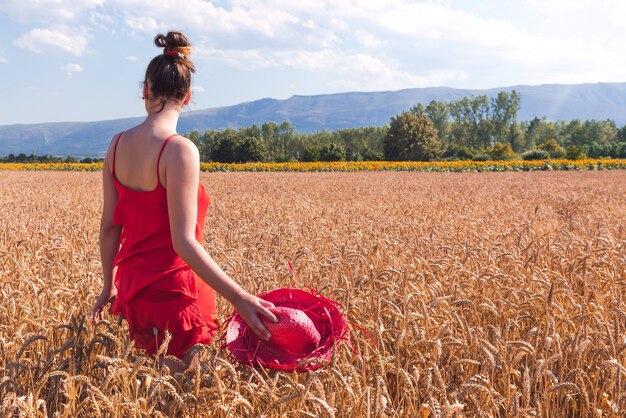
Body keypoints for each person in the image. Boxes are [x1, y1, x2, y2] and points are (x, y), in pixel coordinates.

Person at [92, 31, 277, 373]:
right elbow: (183, 241)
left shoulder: (115, 146)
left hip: (133, 292)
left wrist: (109, 284)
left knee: (142, 395)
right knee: (187, 395)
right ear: (188, 96)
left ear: (145, 90)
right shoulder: (179, 150)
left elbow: (108, 228)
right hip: (177, 297)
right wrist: (240, 298)